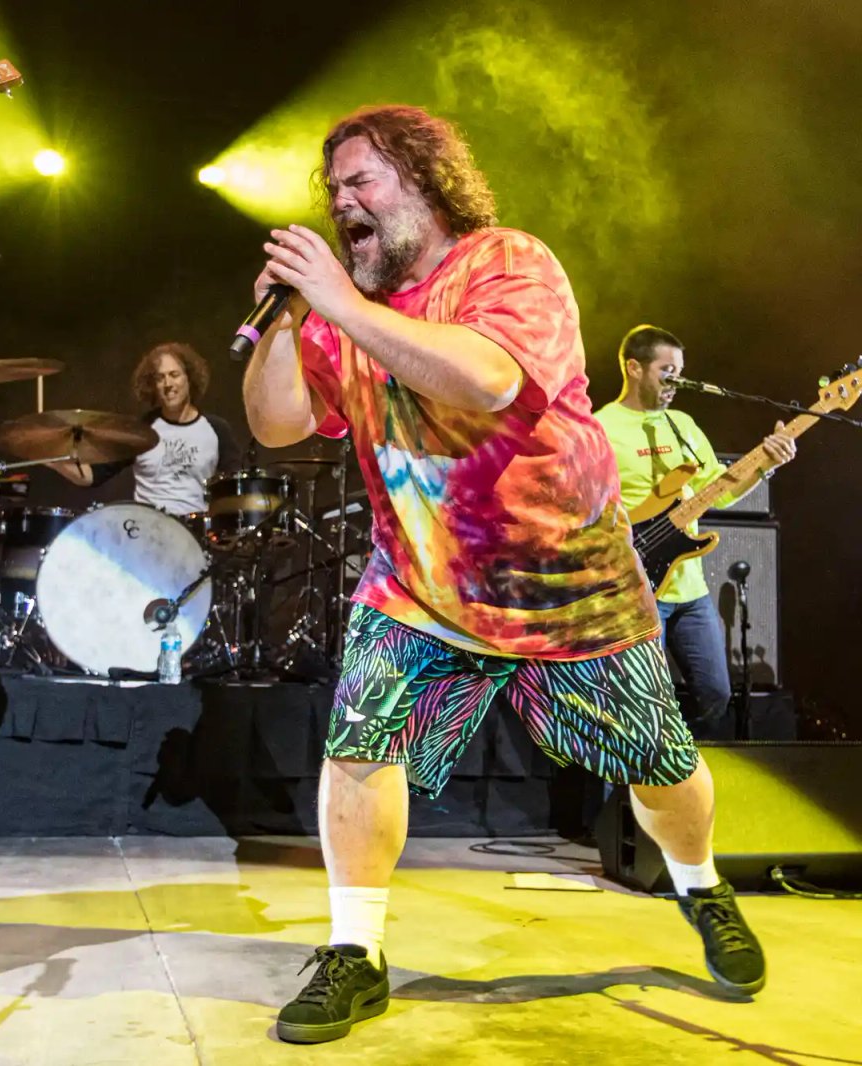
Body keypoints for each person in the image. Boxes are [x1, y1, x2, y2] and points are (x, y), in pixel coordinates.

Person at [241, 105, 766, 1045]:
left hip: (569, 581)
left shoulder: (507, 262)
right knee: (358, 744)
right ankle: (355, 953)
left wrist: (343, 307)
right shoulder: (338, 309)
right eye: (332, 190)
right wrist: (287, 318)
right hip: (420, 581)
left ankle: (702, 885)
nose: (340, 202)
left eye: (362, 181)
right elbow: (276, 425)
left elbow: (486, 378)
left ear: (426, 181)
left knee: (660, 764)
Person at [595, 326, 796, 738]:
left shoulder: (682, 425)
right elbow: (585, 508)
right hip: (634, 591)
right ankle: (637, 789)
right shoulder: (600, 428)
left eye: (681, 372)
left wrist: (764, 464)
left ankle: (682, 773)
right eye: (667, 371)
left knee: (715, 695)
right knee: (638, 702)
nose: (677, 382)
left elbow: (718, 492)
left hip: (690, 591)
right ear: (634, 368)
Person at [50, 341, 241, 513]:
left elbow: (235, 489)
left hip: (196, 538)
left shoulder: (216, 429)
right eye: (160, 378)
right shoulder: (141, 430)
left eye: (174, 375)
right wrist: (46, 454)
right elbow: (91, 476)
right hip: (147, 532)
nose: (168, 384)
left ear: (189, 379)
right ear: (153, 386)